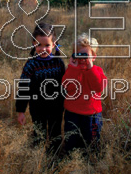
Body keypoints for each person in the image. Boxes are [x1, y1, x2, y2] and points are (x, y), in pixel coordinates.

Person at [16, 22, 66, 154]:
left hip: (56, 107)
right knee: (39, 135)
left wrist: (67, 104)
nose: (43, 49)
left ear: (54, 44)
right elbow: (23, 88)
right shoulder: (31, 65)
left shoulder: (58, 63)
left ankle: (54, 160)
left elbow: (65, 85)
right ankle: (37, 160)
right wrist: (21, 111)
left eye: (47, 45)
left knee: (56, 135)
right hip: (38, 108)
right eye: (39, 45)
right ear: (34, 43)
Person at [62, 33, 107, 156]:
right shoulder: (71, 70)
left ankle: (91, 161)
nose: (82, 59)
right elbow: (66, 86)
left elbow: (98, 87)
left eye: (85, 55)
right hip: (72, 114)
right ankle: (72, 160)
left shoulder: (97, 71)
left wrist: (90, 68)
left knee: (92, 141)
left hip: (92, 115)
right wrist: (72, 68)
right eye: (78, 55)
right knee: (71, 140)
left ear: (94, 57)